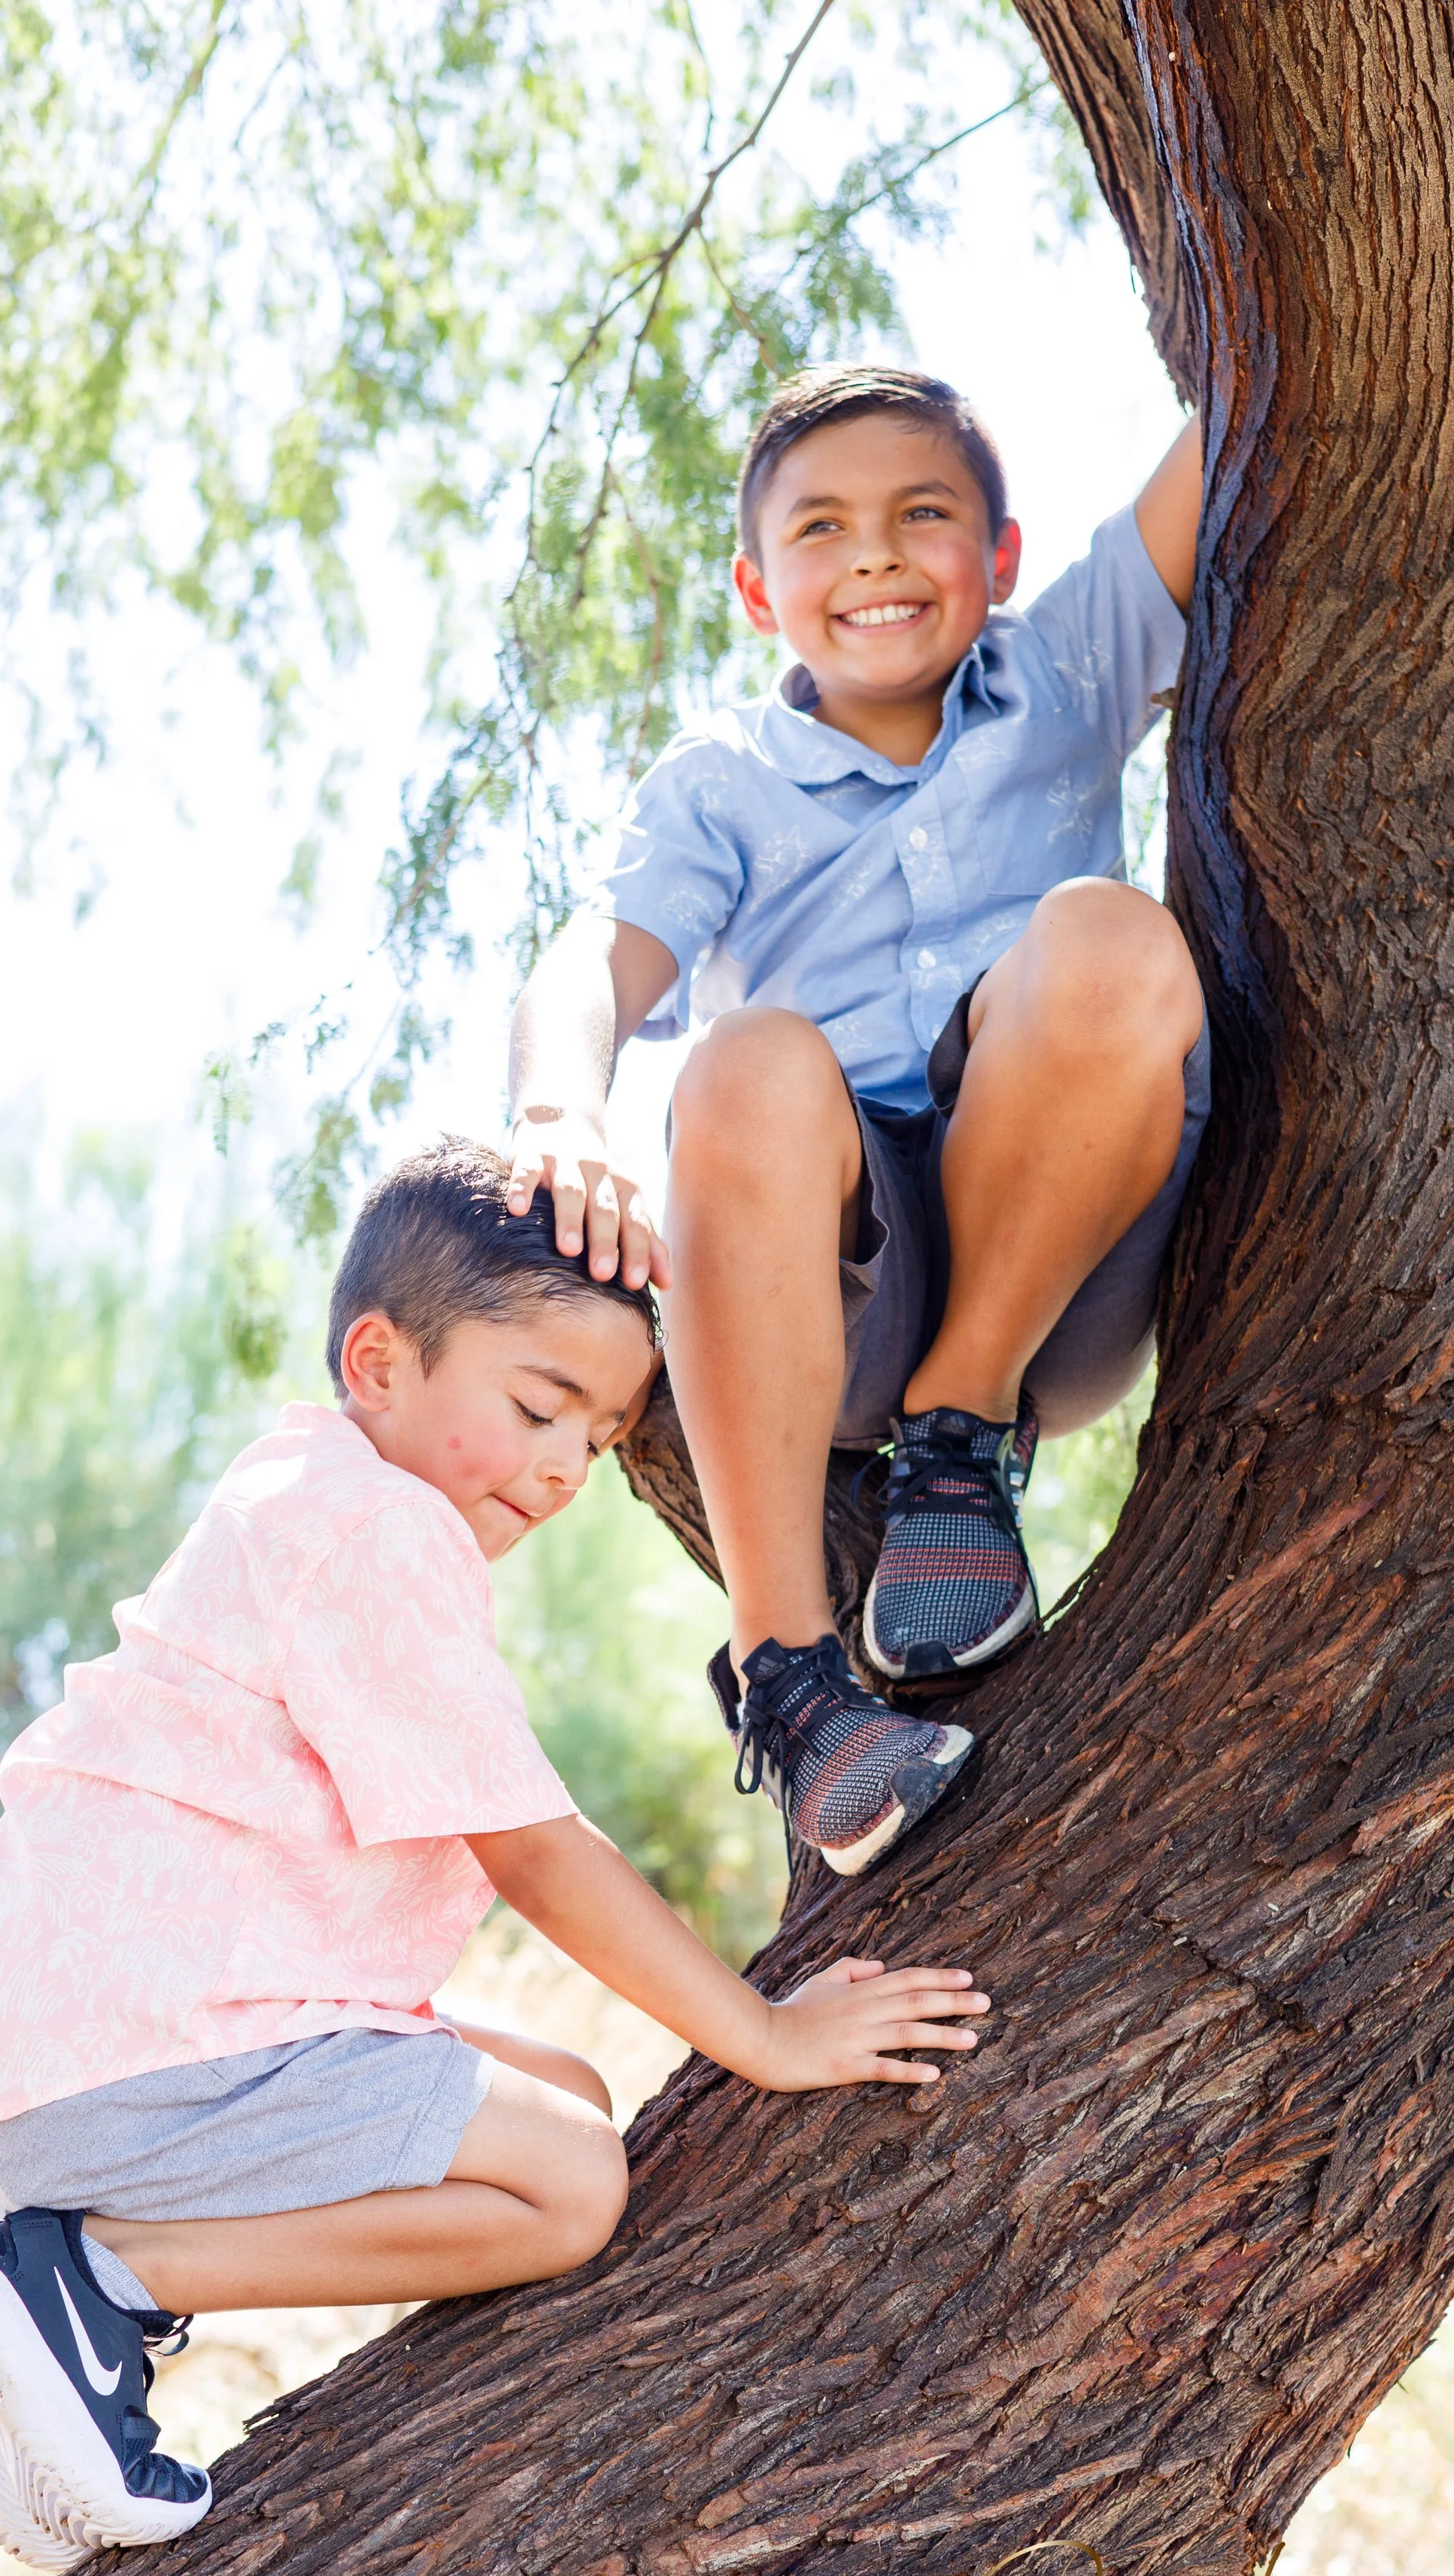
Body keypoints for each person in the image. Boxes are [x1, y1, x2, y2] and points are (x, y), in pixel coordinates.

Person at [0, 1140, 991, 2568]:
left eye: (598, 1442)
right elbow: (537, 1852)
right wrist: (771, 2033)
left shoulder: (302, 1486)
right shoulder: (377, 1530)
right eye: (540, 1407)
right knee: (569, 2185)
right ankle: (102, 2279)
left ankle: (56, 2330)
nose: (562, 1468)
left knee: (570, 2092)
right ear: (380, 1359)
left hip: (75, 2038)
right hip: (125, 2047)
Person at [505, 362, 1208, 1879]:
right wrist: (561, 1105)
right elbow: (596, 958)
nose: (876, 554)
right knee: (744, 1057)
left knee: (1111, 939)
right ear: (759, 592)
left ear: (999, 559)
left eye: (923, 515)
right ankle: (791, 1679)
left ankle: (957, 1442)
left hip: (1059, 1261)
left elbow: (1241, 426)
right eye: (820, 530)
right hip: (833, 1296)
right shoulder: (721, 786)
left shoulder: (1065, 670)